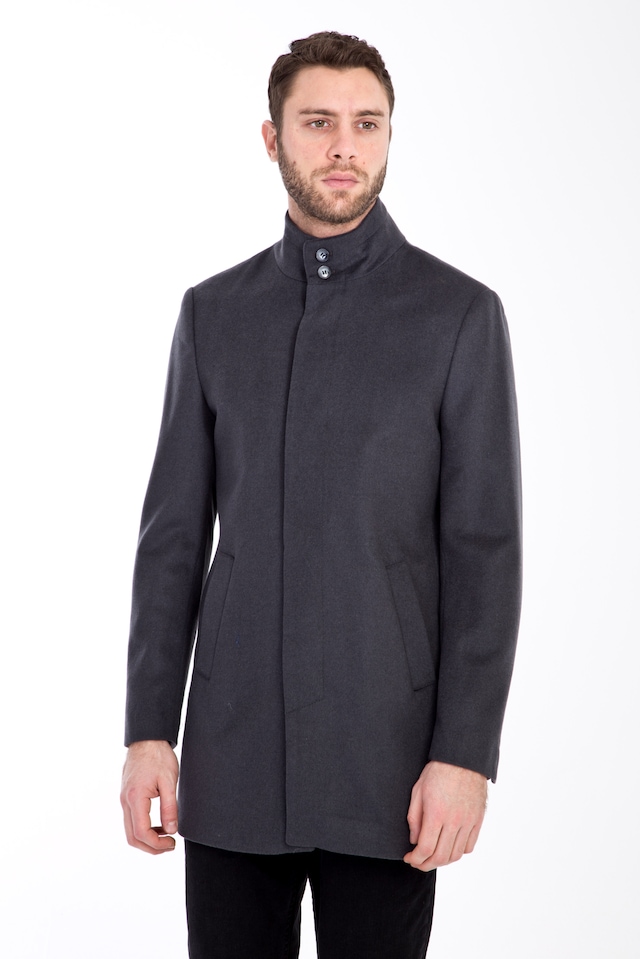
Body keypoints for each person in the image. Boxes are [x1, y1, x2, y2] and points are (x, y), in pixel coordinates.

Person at [120, 30, 522, 959]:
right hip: (231, 758)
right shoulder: (213, 313)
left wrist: (465, 755)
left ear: (389, 136)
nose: (344, 146)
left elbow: (484, 553)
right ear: (273, 139)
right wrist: (148, 730)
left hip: (389, 763)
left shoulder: (460, 315)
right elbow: (172, 539)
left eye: (366, 124)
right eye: (318, 122)